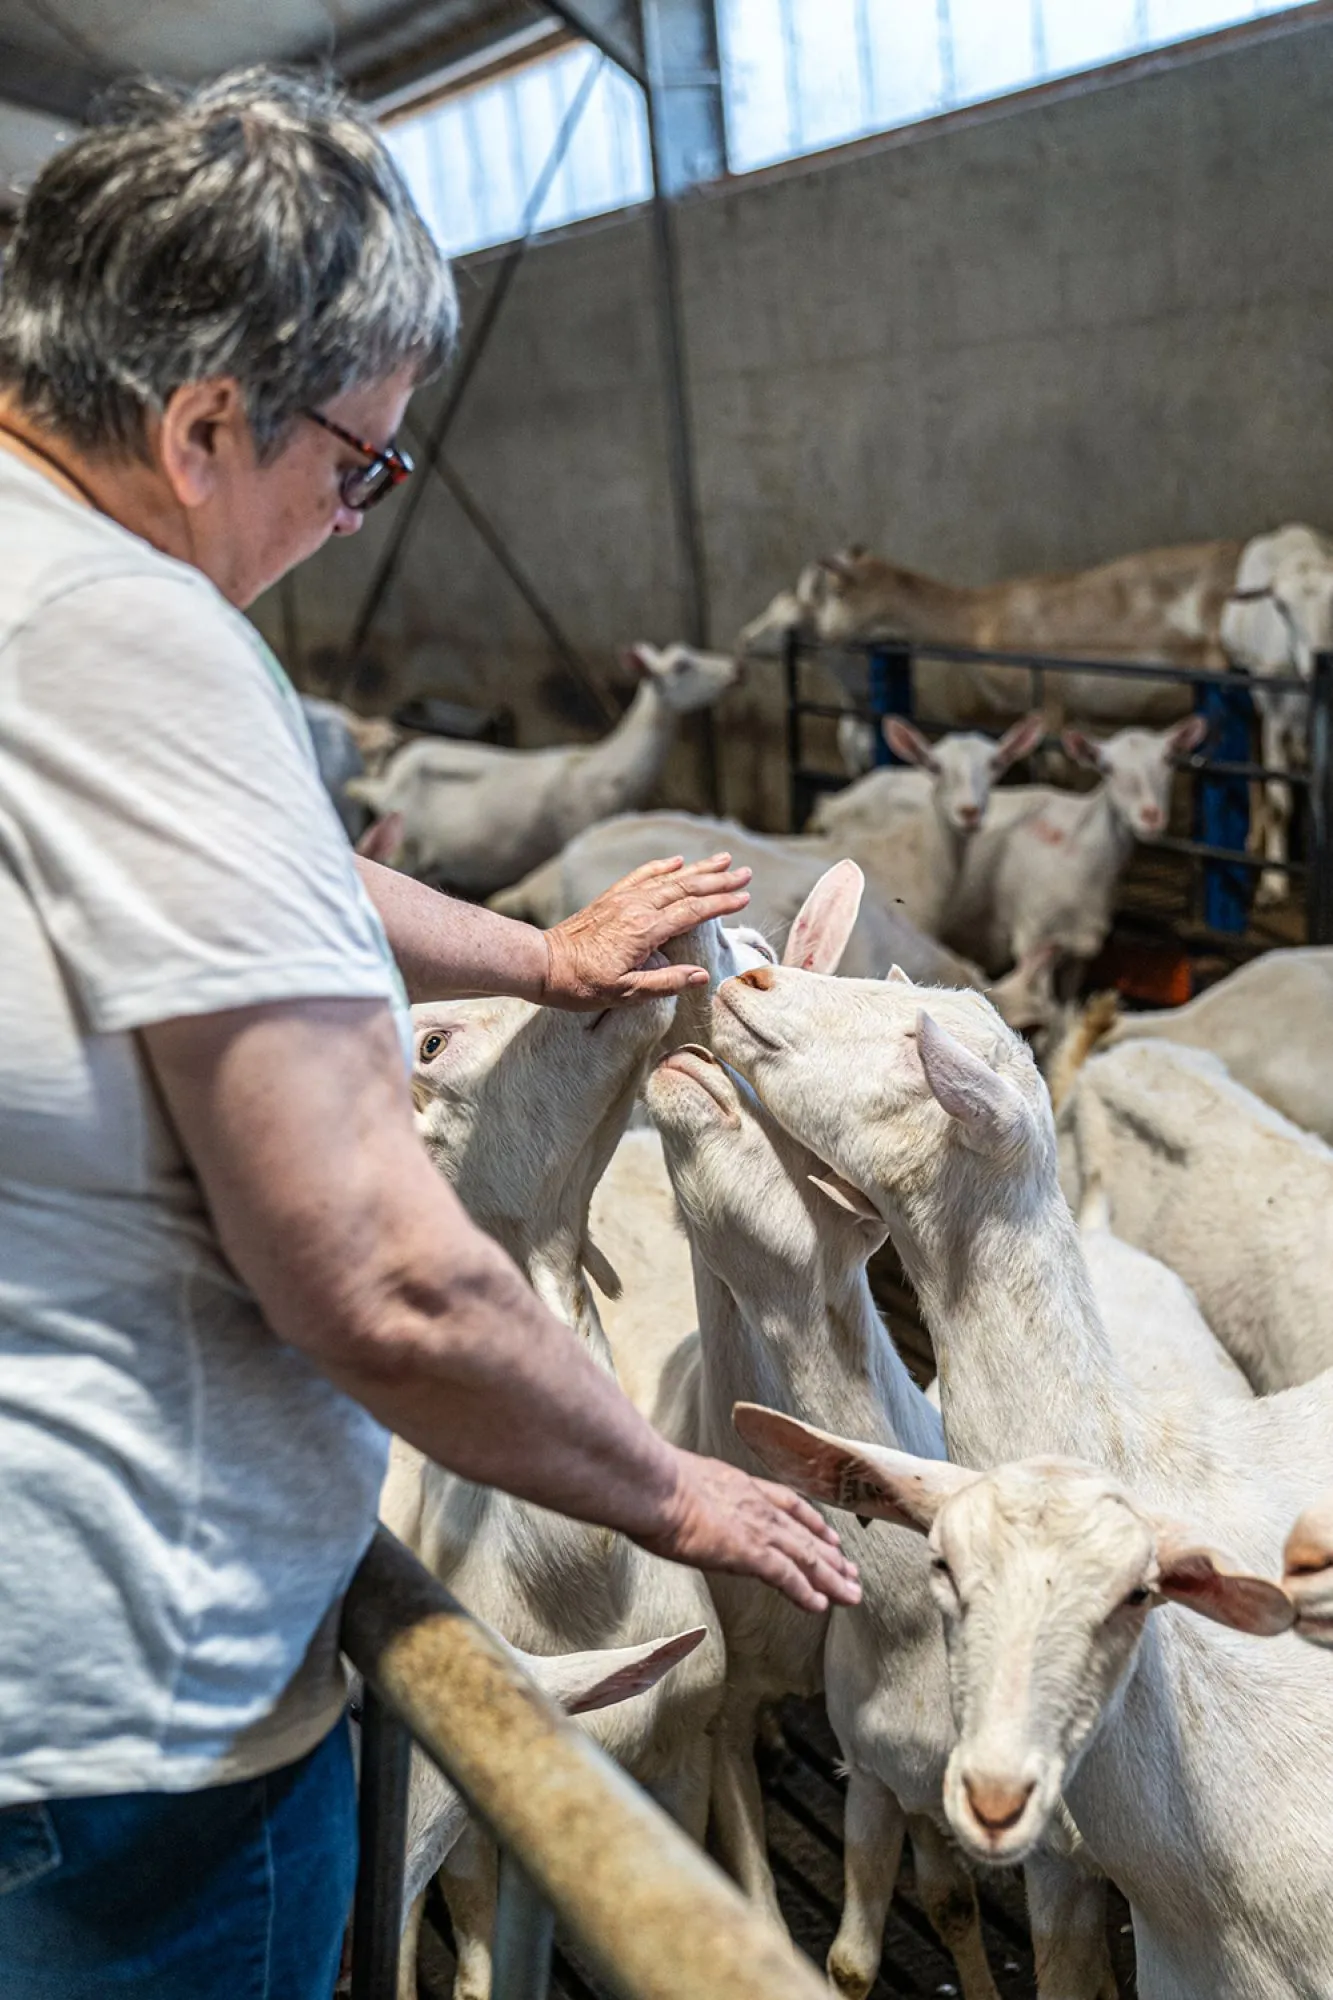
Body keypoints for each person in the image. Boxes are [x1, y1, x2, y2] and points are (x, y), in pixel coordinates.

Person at [0, 68, 858, 2000]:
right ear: (208, 423)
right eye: (361, 465)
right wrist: (681, 1488)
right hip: (130, 1728)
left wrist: (546, 963)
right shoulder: (140, 640)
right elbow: (384, 1276)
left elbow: (257, 877)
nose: (351, 514)